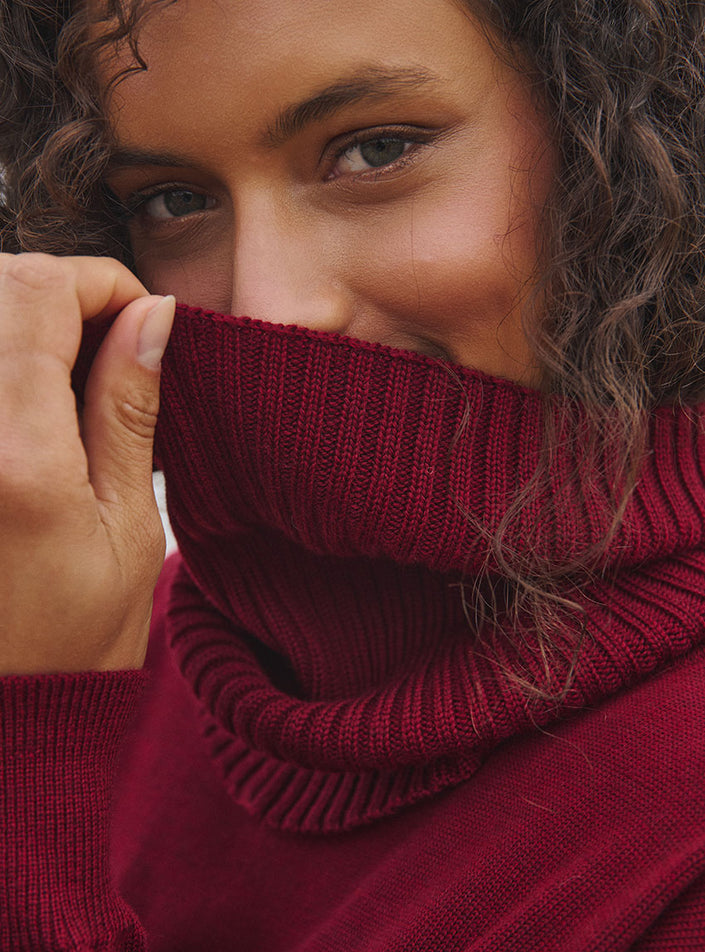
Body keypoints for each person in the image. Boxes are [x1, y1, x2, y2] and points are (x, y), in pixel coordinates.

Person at [1, 0, 704, 948]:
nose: (270, 308)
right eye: (174, 199)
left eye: (374, 152)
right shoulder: (112, 627)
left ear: (618, 141)